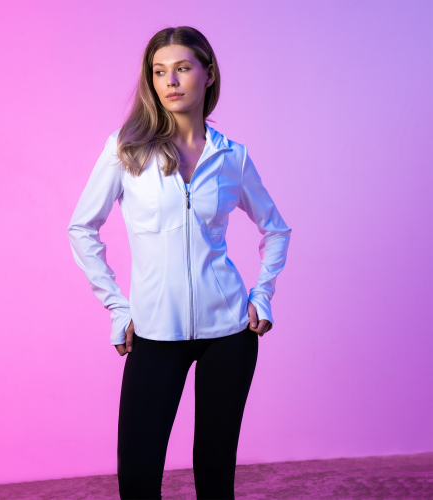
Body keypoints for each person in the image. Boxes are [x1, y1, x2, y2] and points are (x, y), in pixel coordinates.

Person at [67, 26, 292, 500]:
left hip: (229, 333)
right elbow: (81, 228)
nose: (170, 81)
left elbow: (276, 229)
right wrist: (118, 307)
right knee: (138, 476)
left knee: (215, 474)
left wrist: (262, 295)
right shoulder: (126, 150)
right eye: (159, 71)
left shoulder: (232, 157)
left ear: (208, 74)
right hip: (154, 332)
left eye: (182, 68)